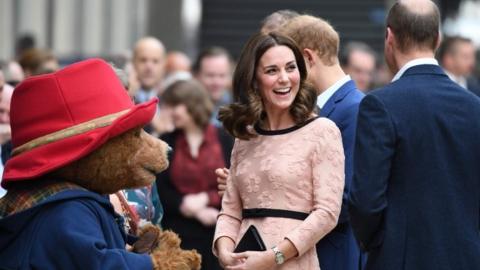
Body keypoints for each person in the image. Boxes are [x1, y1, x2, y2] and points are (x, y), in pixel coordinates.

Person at [217, 14, 366, 270]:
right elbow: (230, 210)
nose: (284, 78)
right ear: (254, 79)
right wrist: (224, 249)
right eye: (272, 71)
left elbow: (328, 212)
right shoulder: (246, 137)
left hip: (296, 262)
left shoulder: (323, 130)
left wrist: (274, 256)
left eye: (290, 68)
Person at [348, 1, 480, 269]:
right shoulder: (474, 106)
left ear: (389, 37)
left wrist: (381, 244)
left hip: (399, 258)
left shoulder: (379, 105)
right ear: (438, 39)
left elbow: (365, 201)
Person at [156, 79, 233, 270]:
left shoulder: (224, 138)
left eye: (176, 105)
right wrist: (192, 208)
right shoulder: (167, 141)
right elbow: (162, 188)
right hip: (178, 234)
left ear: (192, 104)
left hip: (218, 231)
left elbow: (235, 182)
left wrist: (206, 198)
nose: (171, 112)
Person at [192, 47, 233, 126]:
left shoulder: (241, 108)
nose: (216, 82)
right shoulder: (185, 109)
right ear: (196, 76)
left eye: (222, 76)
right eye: (210, 75)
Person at [132, 37, 166, 103]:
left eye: (155, 61)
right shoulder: (121, 98)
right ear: (133, 62)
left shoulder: (171, 101)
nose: (149, 67)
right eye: (143, 60)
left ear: (163, 65)